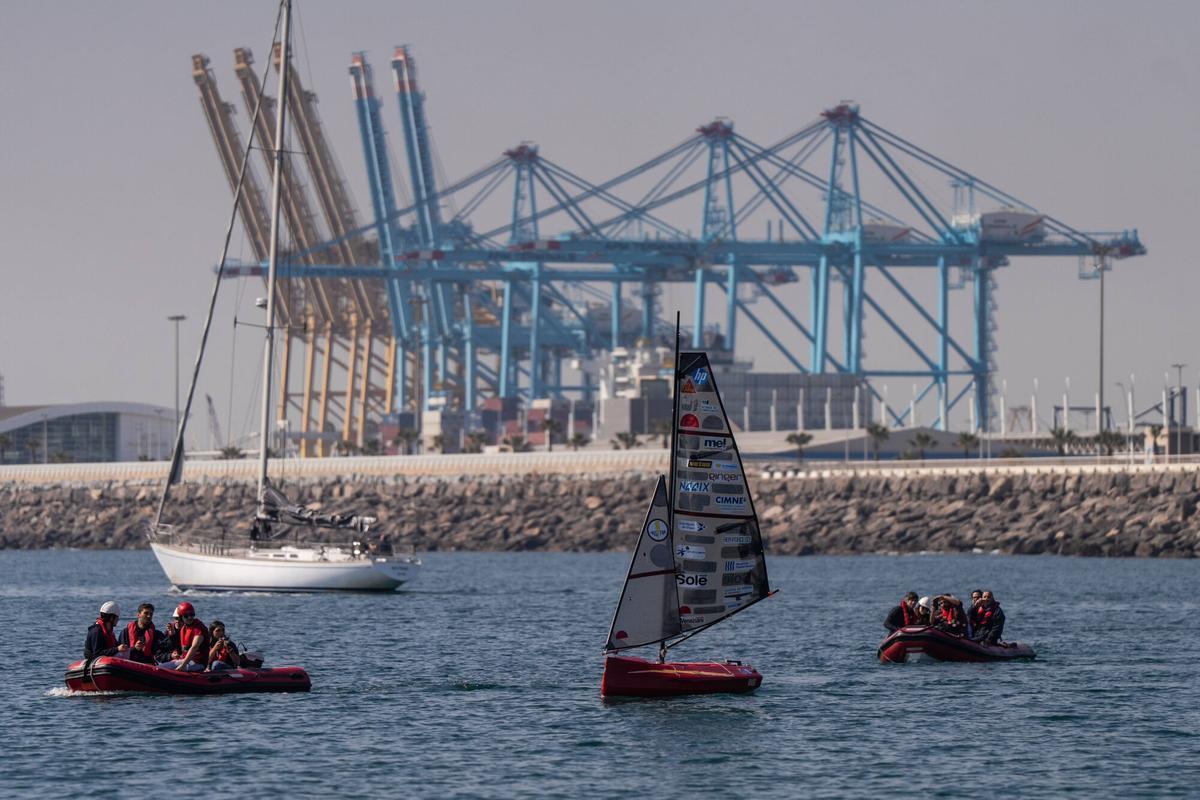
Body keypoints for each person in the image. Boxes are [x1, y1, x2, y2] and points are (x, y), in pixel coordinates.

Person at [159, 602, 209, 672]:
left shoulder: (199, 628)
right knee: (160, 667)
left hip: (198, 663)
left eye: (192, 615)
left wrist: (183, 665)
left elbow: (194, 647)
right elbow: (182, 650)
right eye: (186, 616)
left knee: (165, 669)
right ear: (181, 617)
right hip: (186, 660)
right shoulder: (184, 628)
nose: (189, 617)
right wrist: (172, 635)